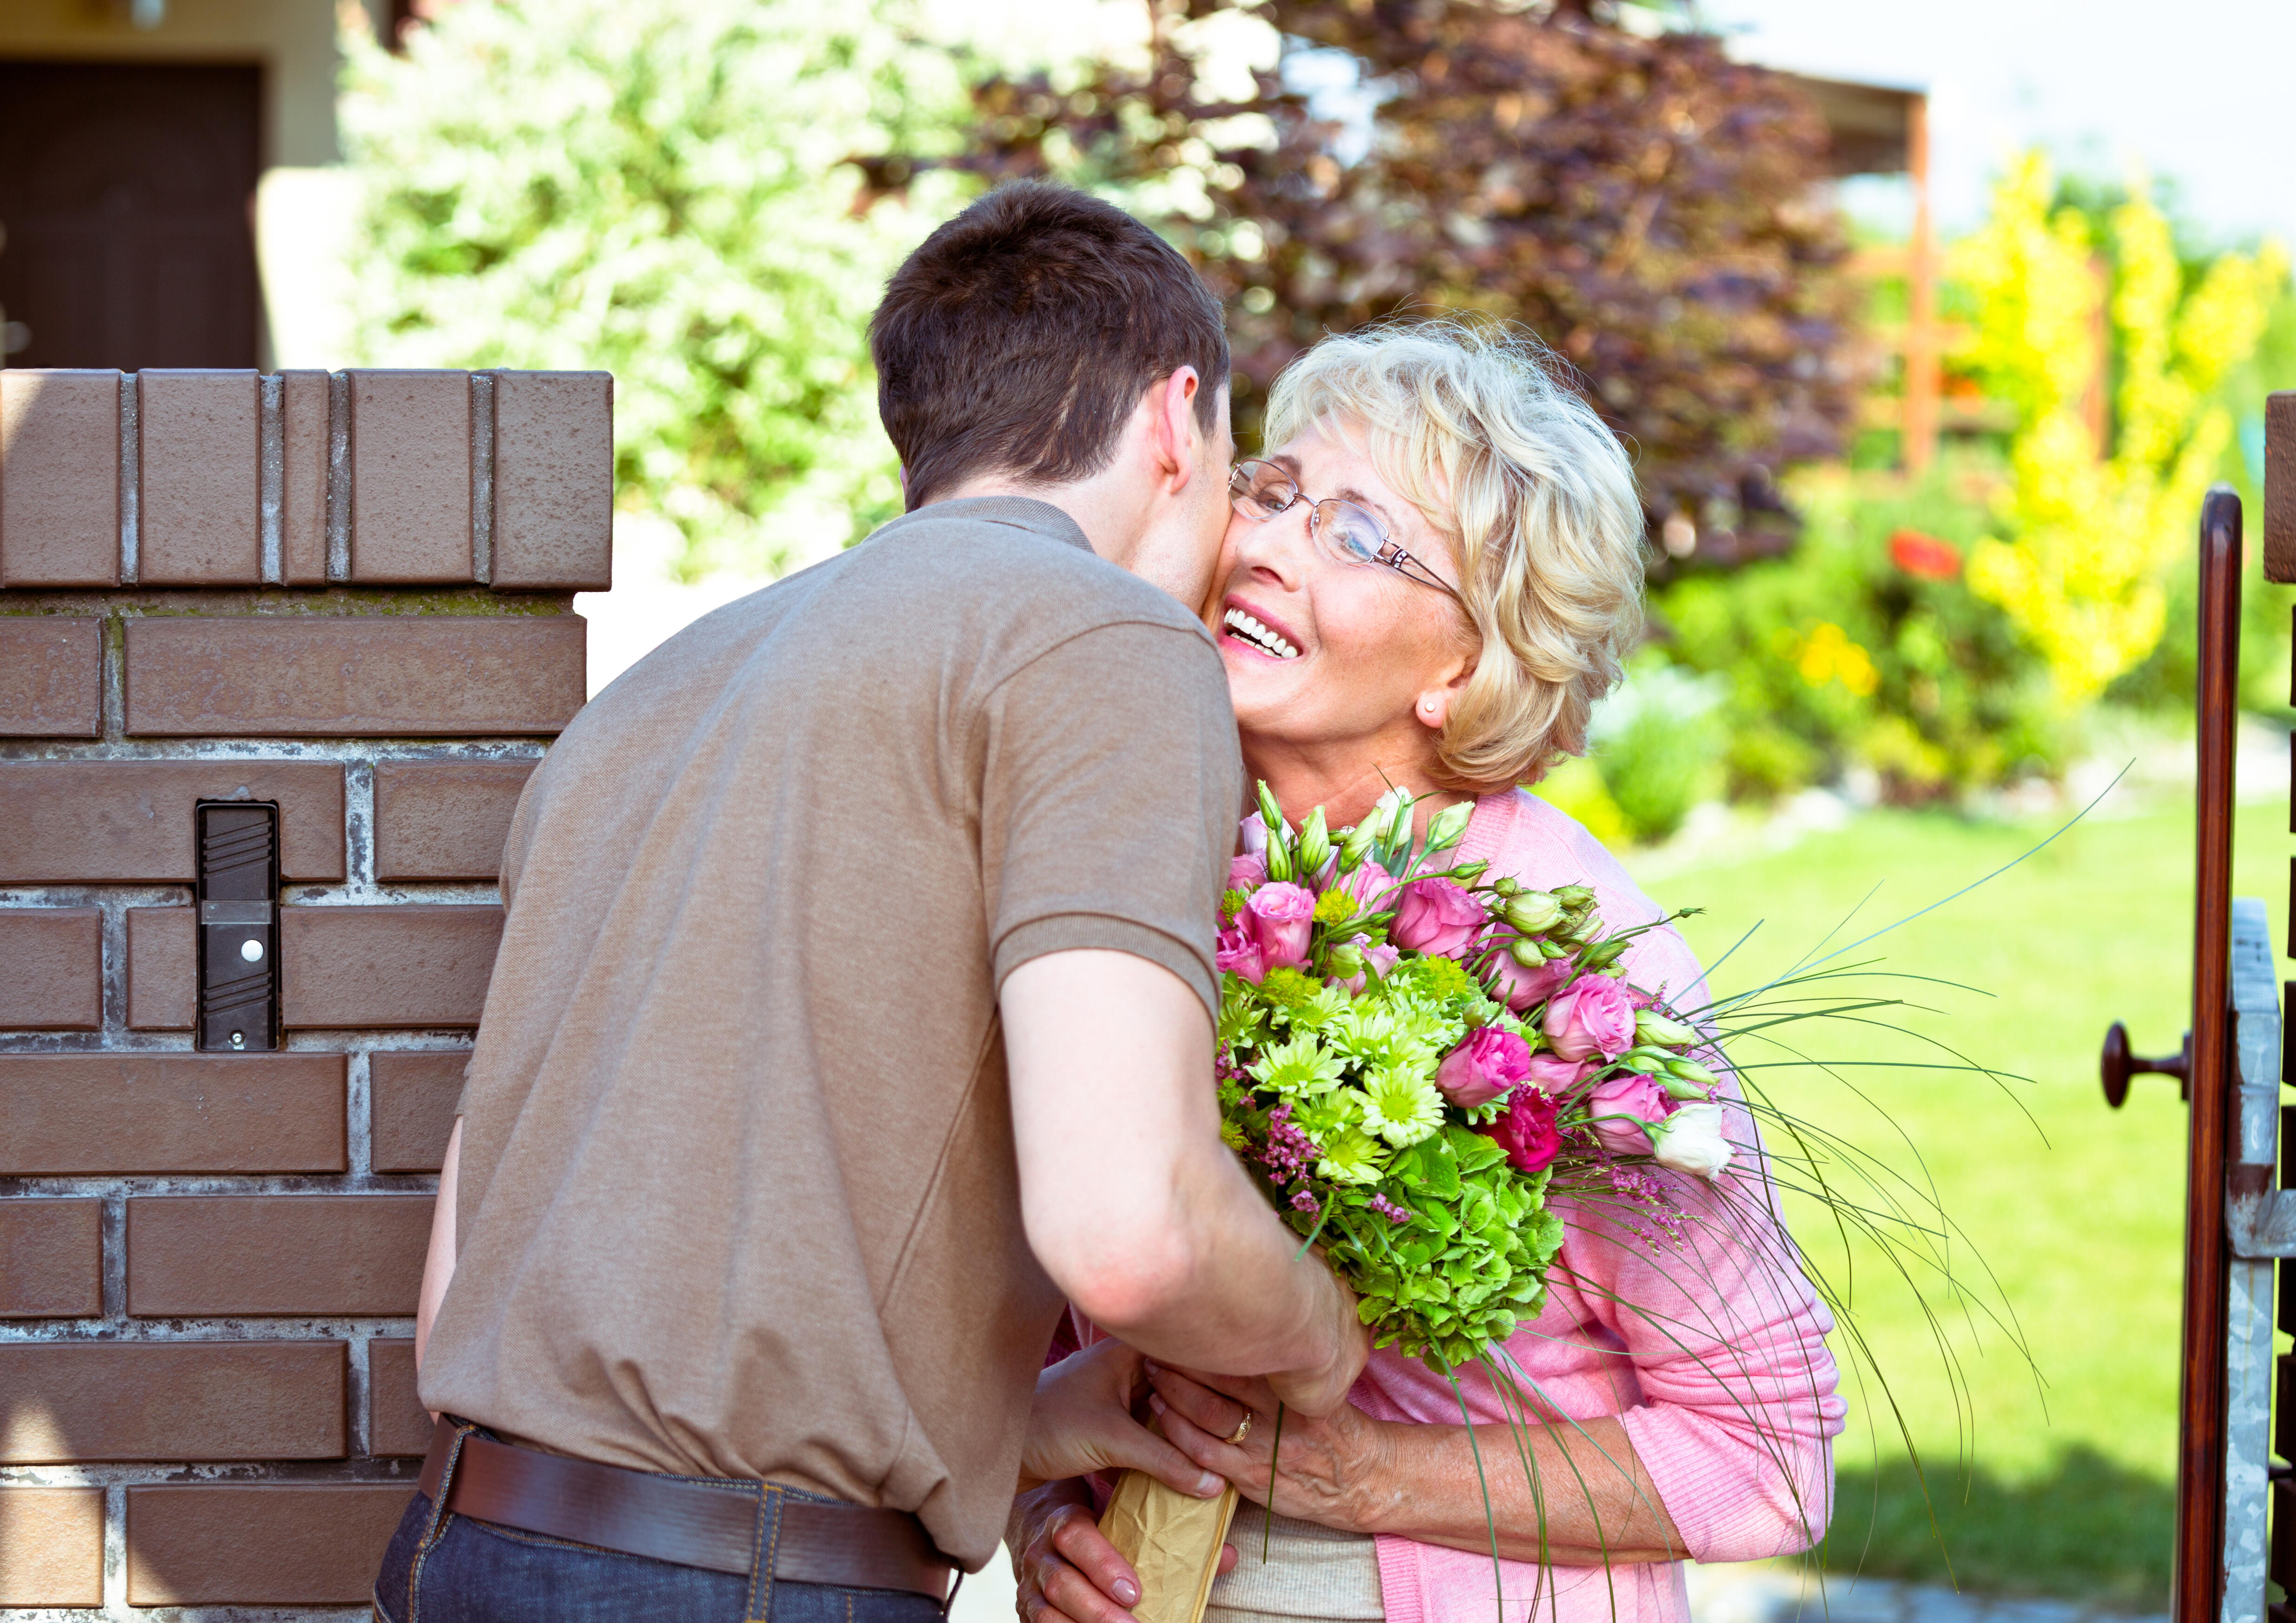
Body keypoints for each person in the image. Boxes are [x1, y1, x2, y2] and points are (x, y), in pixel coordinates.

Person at [375, 183, 1368, 1623]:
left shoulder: (655, 697)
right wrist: (1313, 1328)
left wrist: (999, 1424)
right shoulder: (1107, 640)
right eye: (1237, 464)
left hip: (462, 1551)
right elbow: (1129, 1229)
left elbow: (460, 1304)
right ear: (1173, 420)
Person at [1011, 322, 1845, 1623]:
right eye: (1273, 493)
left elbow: (1769, 1461)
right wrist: (1057, 1514)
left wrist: (1373, 1478)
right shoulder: (1144, 864)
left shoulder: (1567, 976)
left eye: (1353, 535)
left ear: (1465, 665)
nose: (1267, 547)